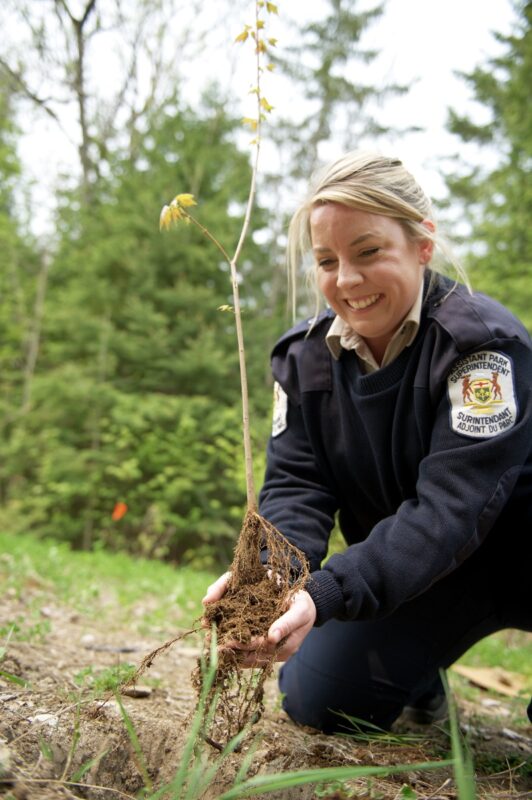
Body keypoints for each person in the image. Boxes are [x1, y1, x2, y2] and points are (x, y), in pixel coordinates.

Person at [203, 151, 532, 733]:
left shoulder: (482, 348)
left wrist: (329, 591)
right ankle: (419, 678)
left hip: (516, 557)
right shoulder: (303, 361)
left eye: (369, 251)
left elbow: (450, 510)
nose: (347, 280)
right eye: (326, 260)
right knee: (319, 699)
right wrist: (273, 579)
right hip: (419, 576)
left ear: (422, 243)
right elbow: (297, 485)